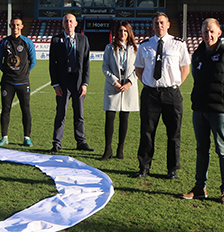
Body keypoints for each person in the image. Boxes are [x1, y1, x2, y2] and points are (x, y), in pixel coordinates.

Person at [182, 18, 224, 205]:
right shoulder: (197, 54)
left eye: (211, 32)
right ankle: (200, 187)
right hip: (199, 109)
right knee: (202, 149)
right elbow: (196, 78)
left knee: (222, 150)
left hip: (220, 111)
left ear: (219, 33)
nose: (208, 35)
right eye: (205, 32)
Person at [133, 12, 191, 179]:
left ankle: (172, 169)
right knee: (147, 132)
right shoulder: (145, 45)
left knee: (174, 133)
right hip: (150, 94)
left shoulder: (178, 44)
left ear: (168, 25)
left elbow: (185, 67)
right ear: (153, 26)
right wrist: (148, 84)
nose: (159, 26)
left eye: (162, 23)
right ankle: (144, 167)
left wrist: (176, 84)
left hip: (171, 93)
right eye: (156, 23)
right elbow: (138, 69)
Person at [48, 13, 93, 153]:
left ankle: (81, 142)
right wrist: (56, 84)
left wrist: (85, 83)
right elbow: (52, 64)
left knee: (79, 114)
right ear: (63, 24)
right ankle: (56, 143)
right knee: (60, 113)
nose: (68, 24)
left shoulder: (83, 39)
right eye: (66, 21)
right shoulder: (56, 40)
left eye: (71, 21)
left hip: (78, 82)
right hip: (63, 82)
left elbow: (86, 63)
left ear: (76, 23)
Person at [100, 21, 139, 160]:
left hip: (128, 87)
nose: (122, 34)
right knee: (109, 118)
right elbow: (105, 67)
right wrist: (114, 81)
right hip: (113, 86)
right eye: (120, 31)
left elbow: (138, 68)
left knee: (124, 118)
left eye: (125, 31)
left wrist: (129, 83)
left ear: (129, 33)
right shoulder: (109, 48)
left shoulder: (135, 49)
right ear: (116, 32)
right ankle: (108, 149)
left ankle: (120, 149)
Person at [0, 15, 36, 147]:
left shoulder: (27, 42)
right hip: (7, 83)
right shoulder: (4, 42)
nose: (15, 27)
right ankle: (4, 137)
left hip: (23, 82)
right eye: (13, 25)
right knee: (5, 109)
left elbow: (33, 62)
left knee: (25, 109)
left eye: (18, 25)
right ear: (10, 26)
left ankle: (27, 137)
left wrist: (23, 73)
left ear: (22, 27)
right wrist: (9, 72)